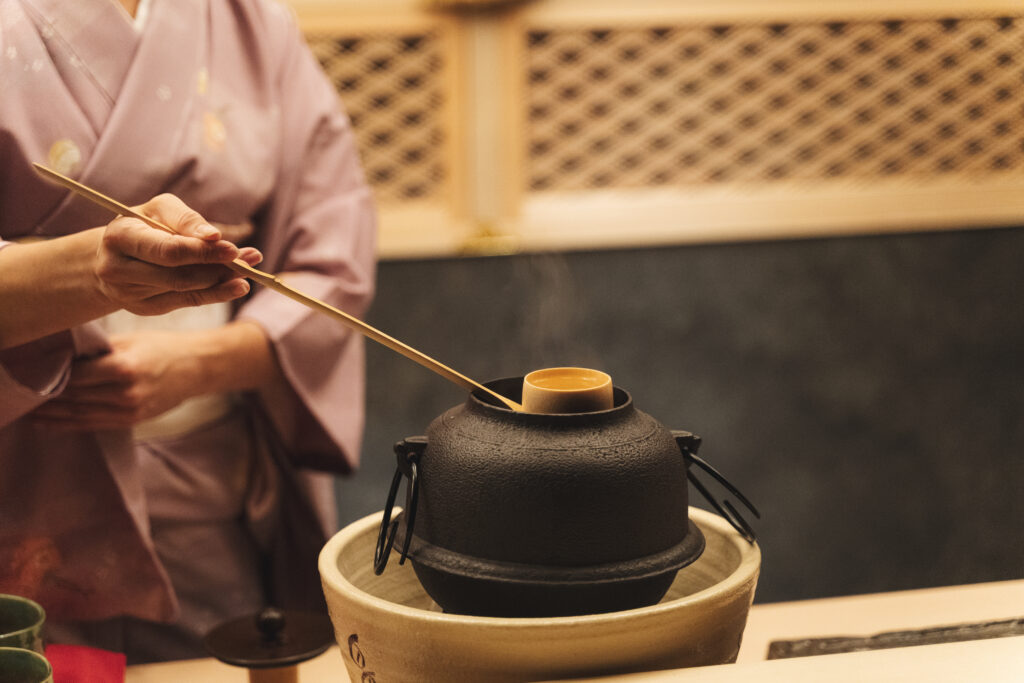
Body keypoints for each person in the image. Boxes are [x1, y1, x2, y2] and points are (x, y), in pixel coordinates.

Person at [0, 0, 376, 663]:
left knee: (221, 659)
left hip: (210, 485)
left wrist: (202, 362)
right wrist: (92, 272)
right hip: (25, 478)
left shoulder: (251, 21)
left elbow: (333, 252)